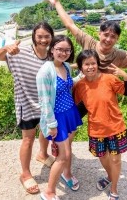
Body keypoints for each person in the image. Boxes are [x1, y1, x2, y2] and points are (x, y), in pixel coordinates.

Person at [0, 22, 55, 194]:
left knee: (45, 131)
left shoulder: (52, 56)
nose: (43, 40)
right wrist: (6, 48)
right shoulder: (20, 53)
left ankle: (43, 154)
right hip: (26, 103)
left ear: (51, 37)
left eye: (47, 36)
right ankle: (25, 174)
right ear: (34, 36)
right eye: (40, 36)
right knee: (28, 139)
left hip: (45, 103)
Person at [74, 49, 127, 200]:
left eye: (93, 63)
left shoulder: (109, 79)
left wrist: (125, 76)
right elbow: (78, 107)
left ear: (98, 64)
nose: (90, 67)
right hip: (96, 129)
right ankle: (109, 176)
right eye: (86, 64)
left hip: (115, 127)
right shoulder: (80, 86)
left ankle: (114, 189)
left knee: (115, 159)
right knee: (102, 156)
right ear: (81, 67)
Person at [37, 35, 83, 200]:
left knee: (68, 150)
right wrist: (52, 124)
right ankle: (49, 192)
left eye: (67, 50)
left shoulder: (66, 66)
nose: (63, 53)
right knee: (63, 156)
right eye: (60, 49)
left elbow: (69, 83)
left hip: (70, 113)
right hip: (56, 118)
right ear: (52, 50)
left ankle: (67, 174)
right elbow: (44, 101)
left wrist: (85, 74)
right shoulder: (45, 71)